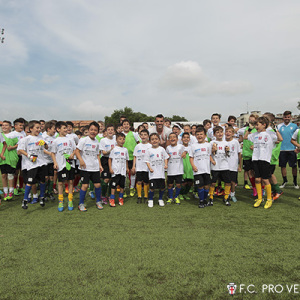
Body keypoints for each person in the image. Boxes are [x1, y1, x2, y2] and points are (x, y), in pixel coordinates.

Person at [244, 116, 282, 209]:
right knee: (257, 179)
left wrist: (275, 130)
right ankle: (260, 198)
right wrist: (249, 129)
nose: (256, 126)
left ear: (264, 125)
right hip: (256, 159)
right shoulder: (254, 134)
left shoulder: (269, 134)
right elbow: (245, 137)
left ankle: (269, 199)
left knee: (265, 180)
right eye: (255, 125)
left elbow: (280, 139)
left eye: (257, 125)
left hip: (264, 160)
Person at [17, 120, 48, 209]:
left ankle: (41, 197)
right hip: (30, 164)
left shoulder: (41, 138)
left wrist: (45, 144)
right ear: (31, 129)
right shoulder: (25, 139)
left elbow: (46, 147)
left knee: (42, 180)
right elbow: (19, 150)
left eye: (40, 128)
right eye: (37, 128)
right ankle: (25, 200)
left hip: (41, 163)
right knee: (30, 182)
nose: (39, 129)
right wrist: (28, 155)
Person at [75, 122, 104, 211]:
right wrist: (81, 160)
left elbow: (97, 155)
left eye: (95, 130)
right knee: (85, 186)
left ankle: (98, 201)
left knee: (98, 185)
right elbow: (77, 151)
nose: (93, 131)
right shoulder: (83, 140)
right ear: (88, 130)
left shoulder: (97, 142)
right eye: (91, 129)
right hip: (85, 168)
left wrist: (100, 165)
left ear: (98, 132)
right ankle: (81, 204)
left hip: (94, 167)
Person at [51, 121, 76, 212]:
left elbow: (75, 149)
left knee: (70, 182)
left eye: (67, 128)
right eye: (64, 128)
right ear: (58, 129)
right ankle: (60, 201)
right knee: (61, 183)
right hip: (61, 165)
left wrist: (72, 154)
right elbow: (53, 153)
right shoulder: (55, 141)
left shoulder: (70, 139)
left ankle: (70, 200)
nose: (66, 129)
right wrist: (55, 163)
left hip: (70, 164)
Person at [208, 126, 231, 206]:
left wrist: (227, 151)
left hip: (225, 166)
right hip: (215, 166)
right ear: (214, 134)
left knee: (227, 182)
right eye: (217, 132)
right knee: (213, 183)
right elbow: (209, 154)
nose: (220, 134)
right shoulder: (212, 143)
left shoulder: (226, 143)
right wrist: (212, 160)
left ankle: (226, 197)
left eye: (221, 132)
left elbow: (228, 155)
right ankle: (211, 197)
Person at [189, 127, 212, 208]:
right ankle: (201, 200)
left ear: (205, 135)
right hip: (197, 170)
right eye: (197, 134)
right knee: (200, 186)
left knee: (206, 186)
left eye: (201, 134)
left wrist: (212, 161)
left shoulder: (208, 145)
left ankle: (205, 199)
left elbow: (210, 155)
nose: (199, 136)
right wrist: (193, 166)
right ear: (195, 136)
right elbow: (191, 157)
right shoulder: (193, 146)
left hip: (206, 169)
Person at [144, 133, 169, 208]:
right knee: (152, 188)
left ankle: (160, 199)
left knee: (162, 187)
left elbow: (165, 158)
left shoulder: (162, 149)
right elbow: (147, 161)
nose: (154, 141)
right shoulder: (148, 150)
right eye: (152, 139)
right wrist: (150, 168)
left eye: (156, 139)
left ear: (159, 140)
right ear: (150, 141)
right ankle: (150, 200)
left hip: (161, 173)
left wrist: (166, 164)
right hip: (153, 174)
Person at [277, 111, 298, 189]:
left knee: (294, 166)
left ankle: (295, 182)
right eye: (285, 117)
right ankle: (284, 181)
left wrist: (297, 147)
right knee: (283, 166)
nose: (287, 118)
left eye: (288, 117)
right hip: (282, 149)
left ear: (291, 117)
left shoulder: (295, 126)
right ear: (283, 117)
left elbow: (297, 137)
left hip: (292, 149)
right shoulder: (279, 126)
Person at [6, 118, 26, 196]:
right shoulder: (12, 135)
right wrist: (16, 146)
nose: (21, 127)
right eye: (20, 125)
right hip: (15, 156)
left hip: (22, 155)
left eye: (22, 125)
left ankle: (21, 187)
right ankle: (14, 188)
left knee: (22, 172)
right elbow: (9, 147)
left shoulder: (23, 133)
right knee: (16, 172)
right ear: (15, 126)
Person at [108, 133, 129, 207]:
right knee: (113, 185)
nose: (122, 140)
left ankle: (120, 198)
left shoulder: (125, 150)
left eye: (123, 139)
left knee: (122, 185)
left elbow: (126, 160)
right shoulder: (114, 149)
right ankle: (112, 199)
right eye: (120, 139)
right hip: (115, 171)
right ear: (116, 140)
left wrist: (127, 168)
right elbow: (110, 159)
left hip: (122, 171)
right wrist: (110, 168)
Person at [132, 129, 152, 203]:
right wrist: (134, 166)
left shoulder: (150, 146)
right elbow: (135, 156)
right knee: (139, 182)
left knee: (146, 182)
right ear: (140, 136)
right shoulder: (137, 146)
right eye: (142, 135)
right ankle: (139, 196)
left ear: (148, 136)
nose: (143, 136)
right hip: (139, 168)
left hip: (147, 168)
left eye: (145, 135)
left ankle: (146, 196)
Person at [166, 133, 186, 205]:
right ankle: (170, 197)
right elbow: (166, 157)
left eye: (174, 137)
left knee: (178, 185)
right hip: (170, 170)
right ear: (169, 139)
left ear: (177, 139)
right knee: (170, 185)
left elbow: (187, 149)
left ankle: (176, 197)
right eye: (170, 137)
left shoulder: (181, 146)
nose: (172, 138)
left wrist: (185, 152)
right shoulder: (168, 148)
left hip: (179, 170)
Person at [122, 119, 140, 197]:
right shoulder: (120, 134)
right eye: (124, 124)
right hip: (123, 158)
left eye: (127, 124)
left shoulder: (134, 134)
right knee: (124, 174)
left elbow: (139, 143)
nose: (126, 125)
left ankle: (132, 187)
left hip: (132, 157)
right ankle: (125, 189)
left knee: (133, 173)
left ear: (130, 126)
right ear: (122, 126)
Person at [99, 124, 116, 203]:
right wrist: (110, 150)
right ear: (106, 131)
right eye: (108, 129)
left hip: (114, 160)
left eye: (112, 129)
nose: (110, 131)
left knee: (112, 179)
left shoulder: (116, 139)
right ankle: (103, 195)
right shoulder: (103, 140)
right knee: (106, 179)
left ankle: (109, 195)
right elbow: (103, 152)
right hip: (105, 160)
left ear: (114, 131)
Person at [225, 126, 242, 202]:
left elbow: (239, 154)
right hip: (224, 165)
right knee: (226, 181)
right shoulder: (223, 142)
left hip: (233, 165)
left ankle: (233, 194)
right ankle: (227, 194)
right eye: (227, 131)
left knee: (233, 181)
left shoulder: (235, 142)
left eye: (230, 132)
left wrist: (239, 165)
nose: (228, 133)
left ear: (233, 134)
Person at [0, 121, 16, 201]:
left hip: (11, 158)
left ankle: (11, 191)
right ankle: (5, 191)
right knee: (3, 175)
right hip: (2, 159)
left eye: (6, 125)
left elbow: (18, 144)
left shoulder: (13, 135)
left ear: (10, 127)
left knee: (10, 175)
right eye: (3, 125)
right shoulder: (0, 135)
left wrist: (12, 147)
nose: (4, 127)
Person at [42, 121, 56, 201]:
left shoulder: (55, 138)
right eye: (54, 129)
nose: (55, 131)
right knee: (45, 177)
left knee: (51, 177)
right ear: (48, 129)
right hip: (44, 160)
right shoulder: (42, 137)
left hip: (51, 161)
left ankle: (50, 192)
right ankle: (43, 194)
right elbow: (41, 149)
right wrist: (50, 153)